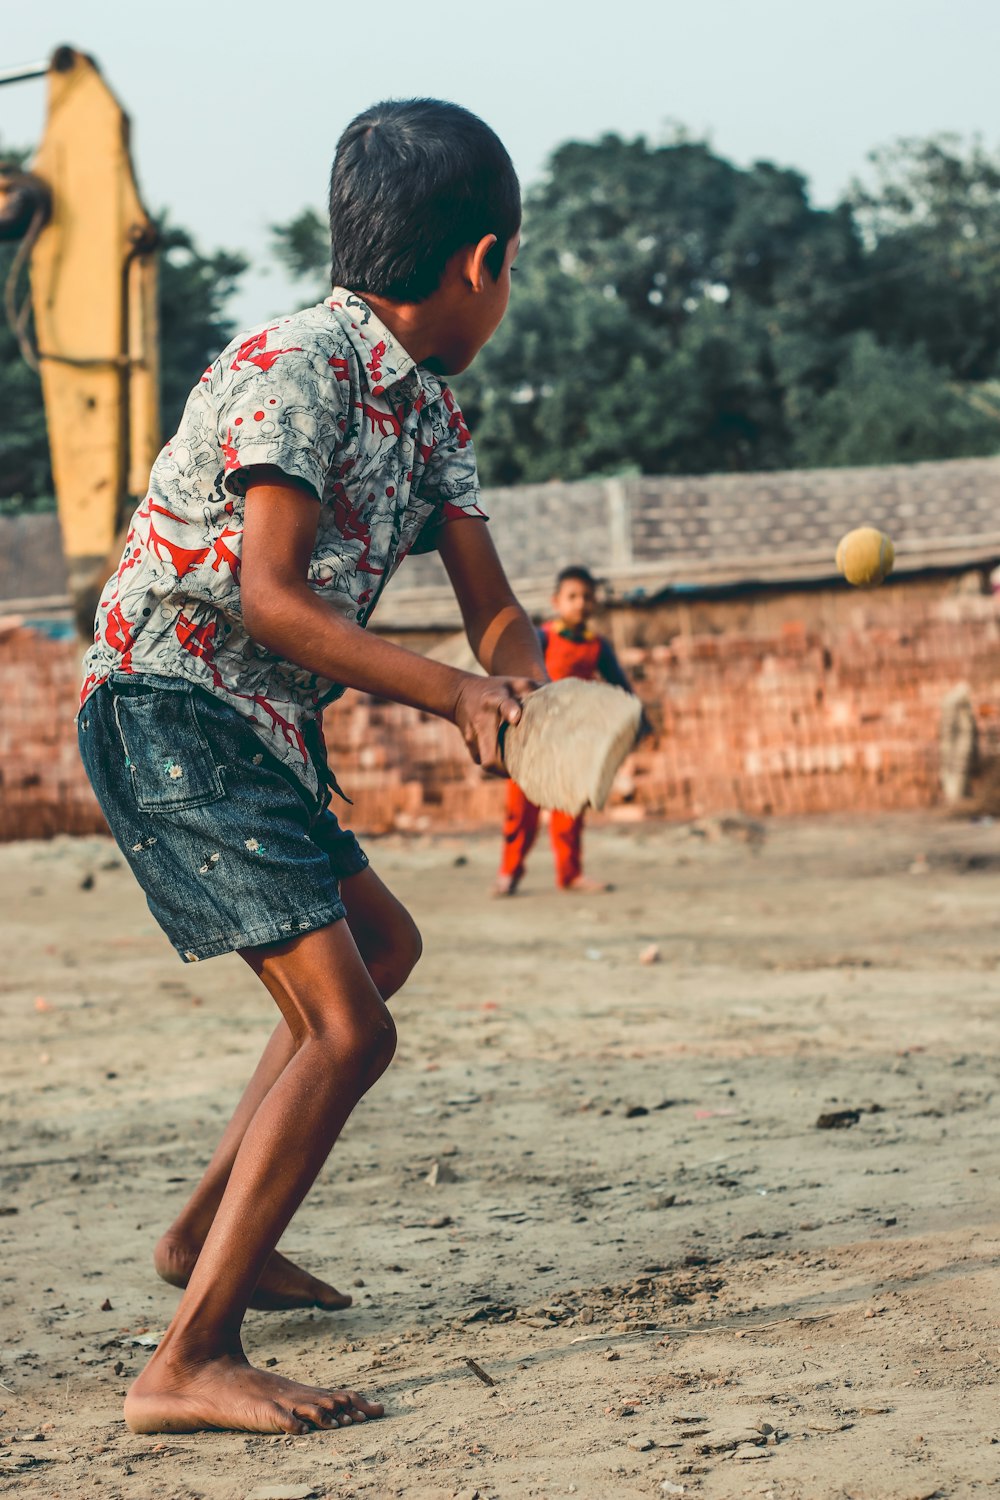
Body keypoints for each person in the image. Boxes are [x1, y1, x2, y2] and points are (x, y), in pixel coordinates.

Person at [76, 98, 545, 1437]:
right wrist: (453, 693)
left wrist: (529, 691)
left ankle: (201, 1234)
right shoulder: (295, 365)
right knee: (349, 1026)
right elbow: (274, 601)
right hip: (169, 705)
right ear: (484, 262)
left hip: (255, 726)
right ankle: (188, 1358)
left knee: (378, 950)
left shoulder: (433, 414)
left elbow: (491, 608)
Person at [494, 565, 638, 896]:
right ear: (556, 601)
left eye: (587, 597)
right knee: (520, 810)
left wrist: (637, 719)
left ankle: (570, 874)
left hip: (573, 741)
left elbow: (620, 685)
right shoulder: (541, 637)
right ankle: (508, 872)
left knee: (569, 809)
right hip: (531, 739)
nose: (580, 603)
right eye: (573, 596)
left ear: (595, 603)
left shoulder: (597, 647)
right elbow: (514, 672)